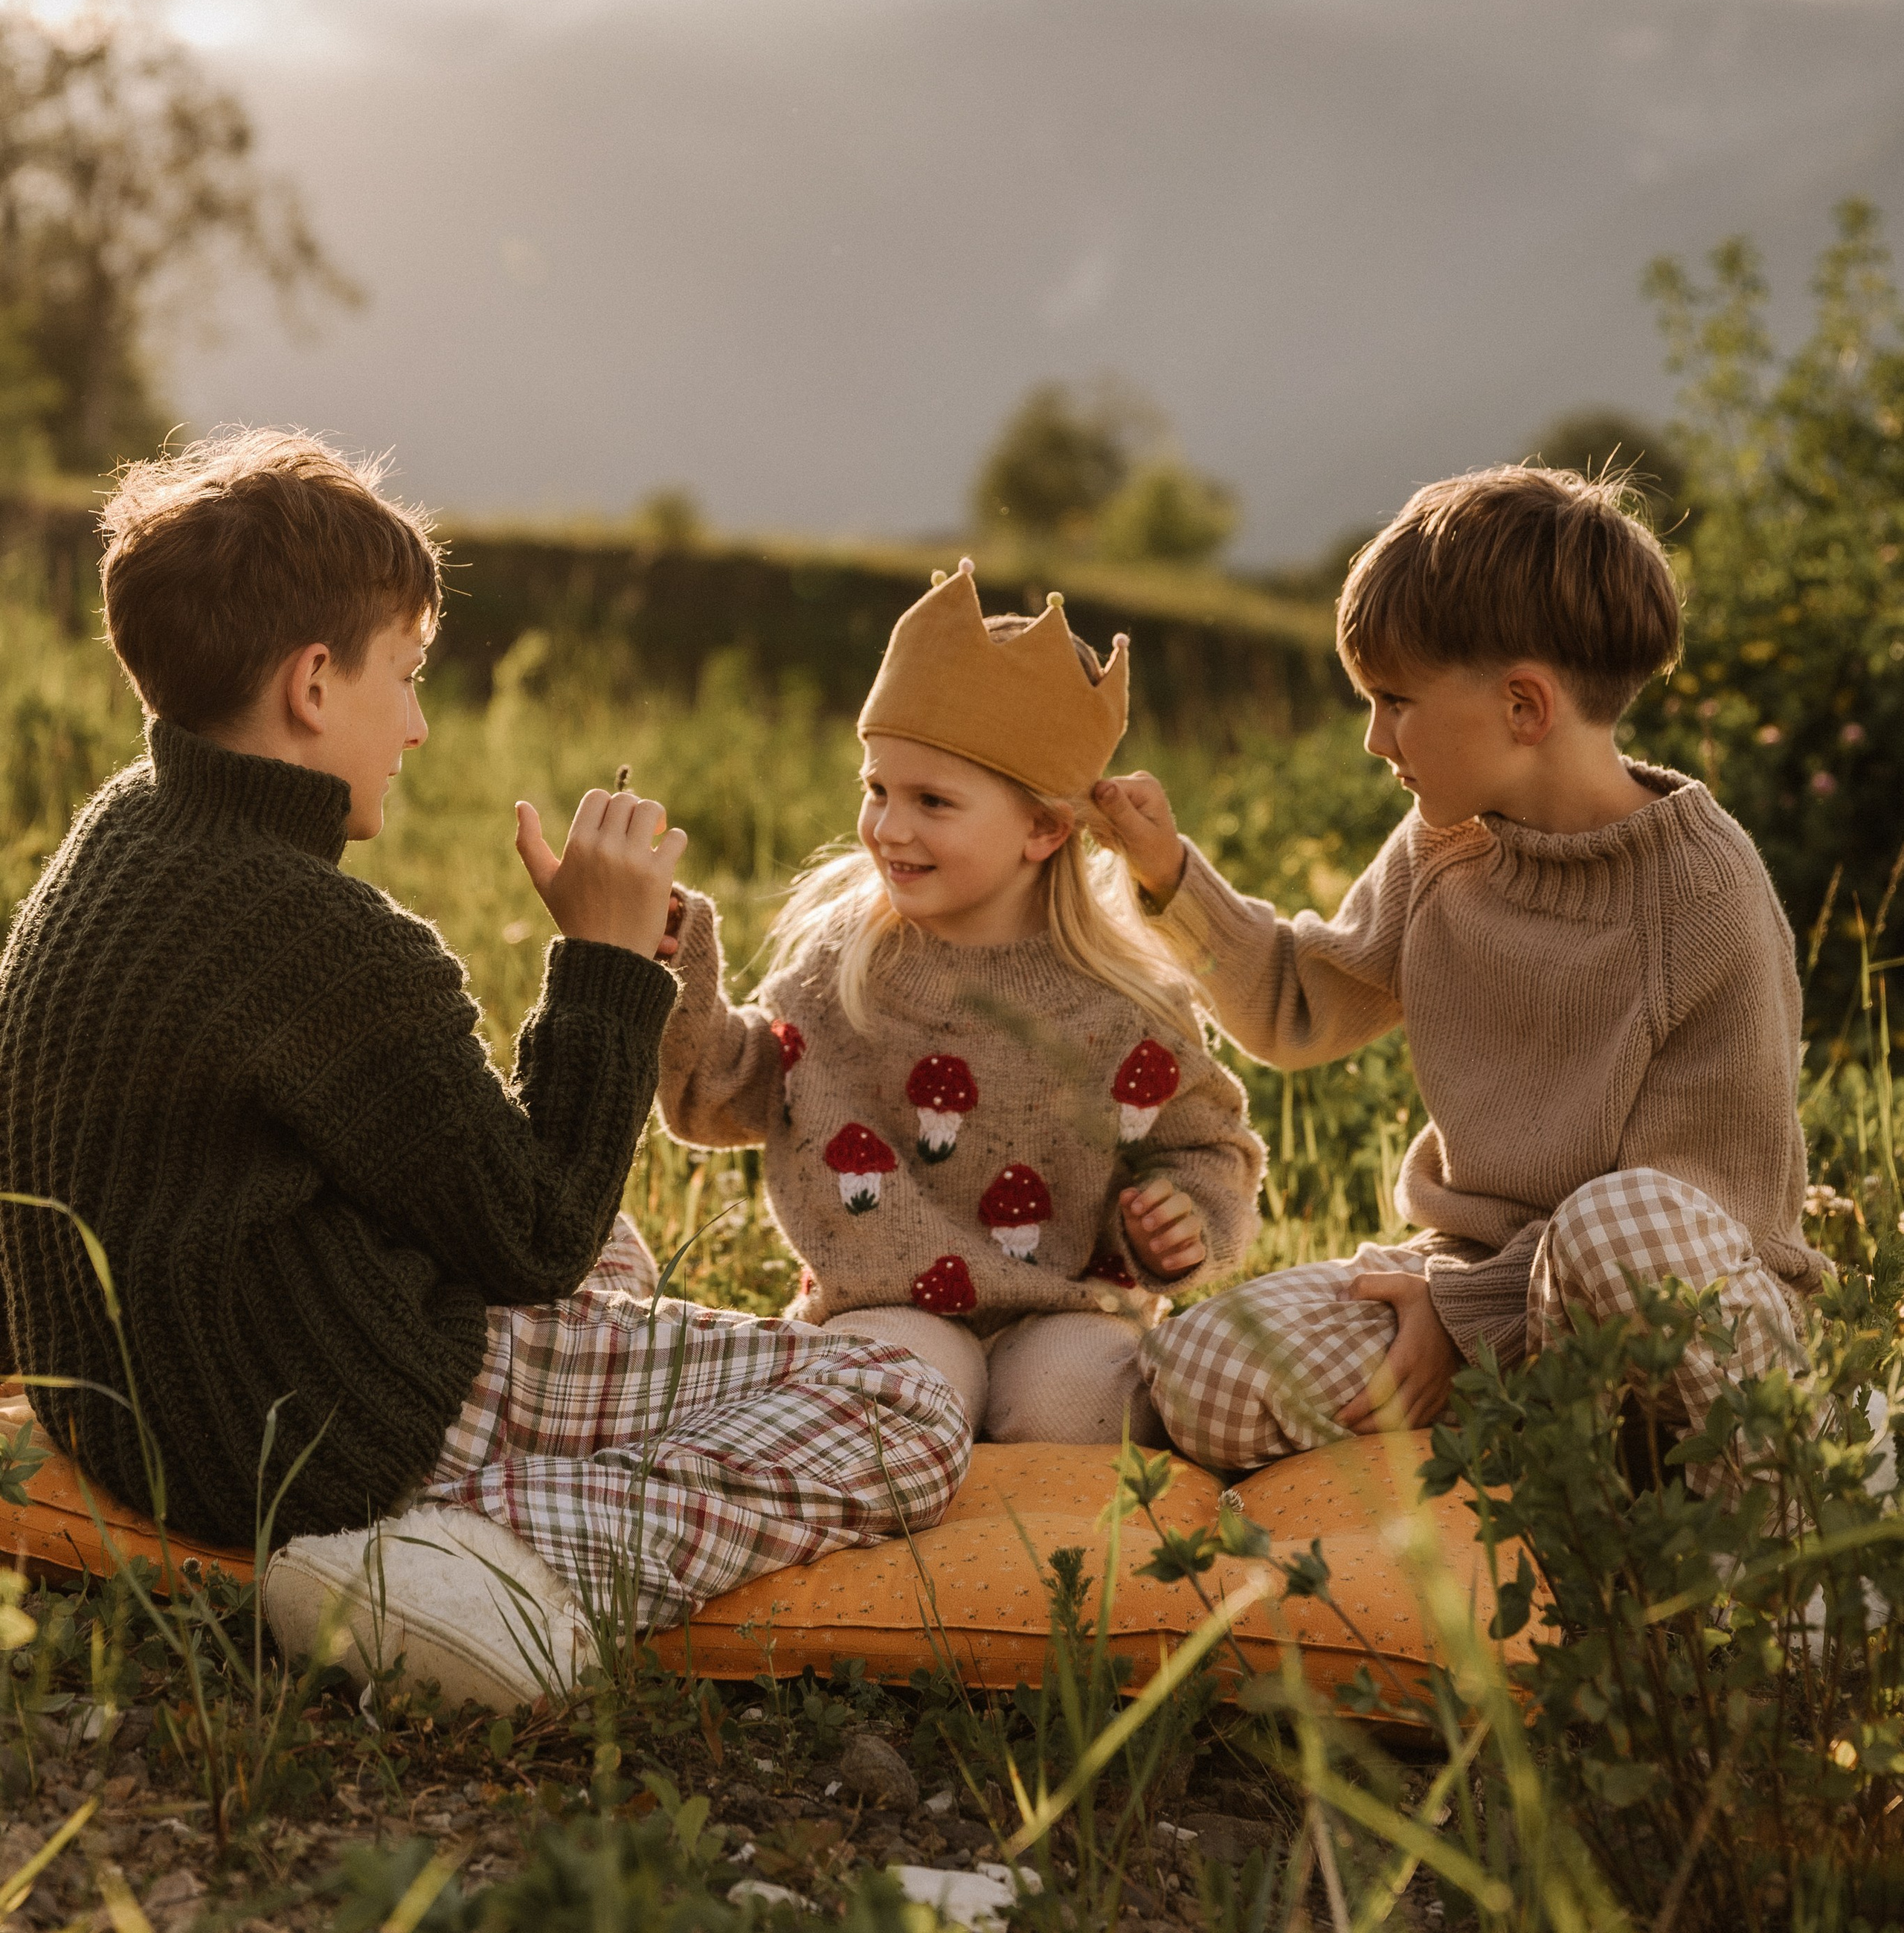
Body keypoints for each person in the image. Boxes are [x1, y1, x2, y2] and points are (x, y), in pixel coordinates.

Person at [0, 431, 969, 1625]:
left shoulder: (117, 840)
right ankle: (480, 1565)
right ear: (312, 686)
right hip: (334, 1420)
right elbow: (535, 1237)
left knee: (615, 1249)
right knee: (906, 1404)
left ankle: (541, 1489)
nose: (414, 728)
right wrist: (606, 968)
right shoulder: (325, 941)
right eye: (403, 677)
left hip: (139, 1408)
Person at [1087, 465, 1818, 1472]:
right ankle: (1519, 1471)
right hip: (1474, 1280)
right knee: (1204, 1370)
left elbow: (1694, 1202)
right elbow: (1302, 1004)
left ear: (1524, 705)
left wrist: (1456, 1313)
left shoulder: (1701, 896)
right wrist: (1165, 870)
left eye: (1395, 701)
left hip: (1674, 1295)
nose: (1375, 738)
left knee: (1621, 1223)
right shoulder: (1445, 847)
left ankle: (1775, 1514)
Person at [659, 559, 1265, 1444]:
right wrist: (676, 970)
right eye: (877, 789)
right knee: (906, 1392)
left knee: (1068, 1404)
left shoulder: (1128, 1005)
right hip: (886, 1303)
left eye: (932, 801)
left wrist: (1186, 1219)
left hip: (1069, 1306)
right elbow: (720, 1093)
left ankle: (1047, 1571)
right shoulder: (842, 967)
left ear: (1044, 828)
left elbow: (1210, 1149)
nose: (888, 828)